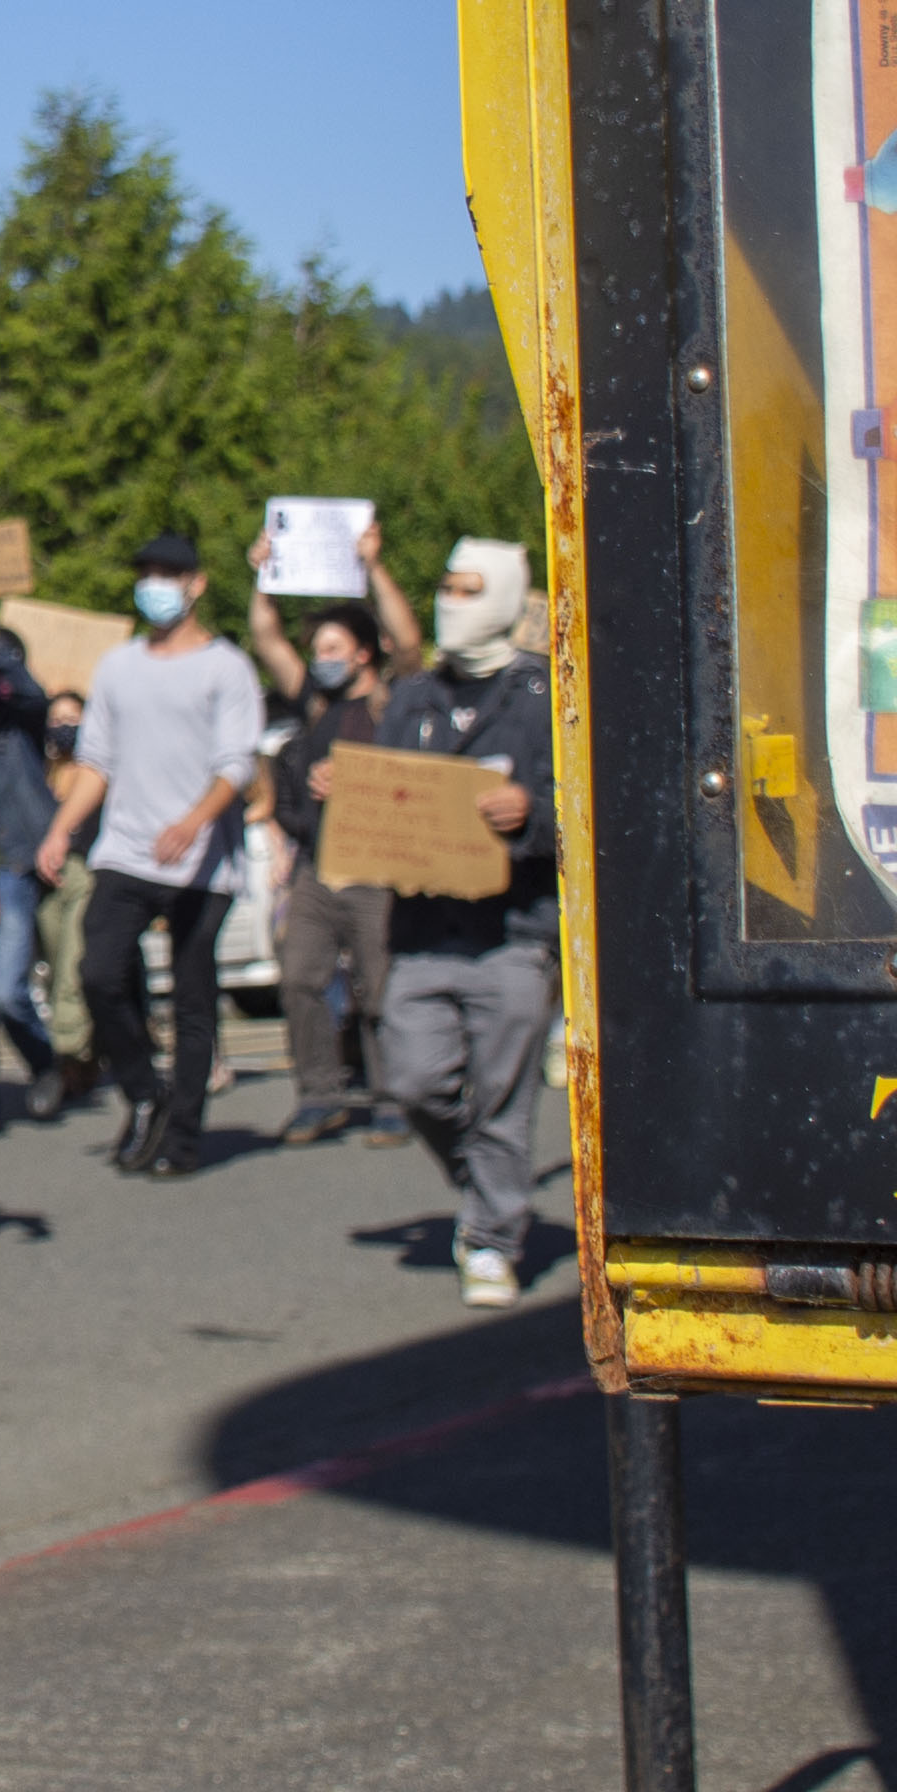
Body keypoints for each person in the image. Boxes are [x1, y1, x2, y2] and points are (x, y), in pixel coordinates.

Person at [372, 538, 563, 1310]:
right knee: (413, 1081)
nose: (452, 601)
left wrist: (532, 813)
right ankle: (487, 1180)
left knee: (503, 1097)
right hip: (422, 930)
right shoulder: (414, 697)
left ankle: (492, 1239)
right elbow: (383, 793)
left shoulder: (545, 695)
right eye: (446, 586)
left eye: (470, 588)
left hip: (513, 933)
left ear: (508, 598)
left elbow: (586, 803)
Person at [40, 529, 266, 1175]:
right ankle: (145, 1092)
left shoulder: (227, 667)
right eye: (146, 574)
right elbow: (96, 761)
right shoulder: (118, 666)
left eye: (168, 574)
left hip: (201, 862)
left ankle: (183, 1136)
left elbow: (237, 763)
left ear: (196, 584)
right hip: (126, 852)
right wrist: (60, 829)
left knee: (193, 998)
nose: (154, 586)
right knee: (97, 974)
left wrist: (195, 821)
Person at [242, 524, 422, 1145]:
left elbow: (409, 643)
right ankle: (320, 1094)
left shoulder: (391, 703)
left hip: (379, 869)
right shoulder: (316, 705)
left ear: (363, 653)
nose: (320, 657)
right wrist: (265, 575)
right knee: (299, 977)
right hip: (317, 869)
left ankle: (394, 1097)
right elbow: (266, 637)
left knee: (380, 987)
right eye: (317, 648)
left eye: (332, 647)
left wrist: (374, 567)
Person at [0, 617, 72, 1135]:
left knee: (5, 992)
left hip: (9, 864)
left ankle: (45, 1064)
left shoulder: (18, 723)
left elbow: (28, 692)